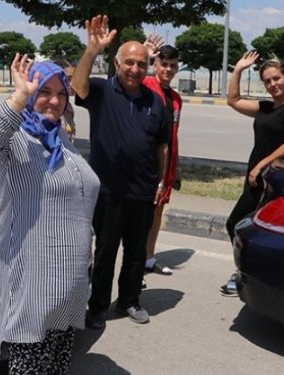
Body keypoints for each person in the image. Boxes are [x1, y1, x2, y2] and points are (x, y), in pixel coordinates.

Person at [0, 54, 100, 375]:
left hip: (67, 283)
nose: (55, 100)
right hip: (32, 284)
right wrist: (18, 96)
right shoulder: (16, 141)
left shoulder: (60, 142)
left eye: (61, 93)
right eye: (45, 91)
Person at [71, 15, 170, 327]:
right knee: (105, 252)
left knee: (137, 253)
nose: (135, 69)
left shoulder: (155, 101)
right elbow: (78, 85)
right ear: (116, 63)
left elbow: (161, 145)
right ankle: (98, 306)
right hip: (109, 190)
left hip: (142, 190)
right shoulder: (101, 91)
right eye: (129, 63)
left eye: (141, 64)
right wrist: (92, 50)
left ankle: (129, 300)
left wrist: (161, 180)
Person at [219, 51, 284, 296]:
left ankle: (247, 276)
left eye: (277, 78)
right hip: (257, 178)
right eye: (268, 81)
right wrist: (237, 70)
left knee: (240, 225)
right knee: (242, 226)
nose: (273, 84)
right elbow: (233, 100)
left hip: (273, 179)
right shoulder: (266, 107)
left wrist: (262, 165)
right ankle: (248, 274)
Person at [142, 34, 183, 277]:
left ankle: (148, 256)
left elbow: (173, 136)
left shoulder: (176, 99)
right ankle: (134, 262)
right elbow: (123, 79)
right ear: (156, 65)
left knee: (158, 211)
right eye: (163, 64)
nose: (168, 69)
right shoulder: (147, 86)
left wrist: (174, 169)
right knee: (141, 212)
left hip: (166, 165)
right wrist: (145, 54)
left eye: (172, 65)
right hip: (145, 163)